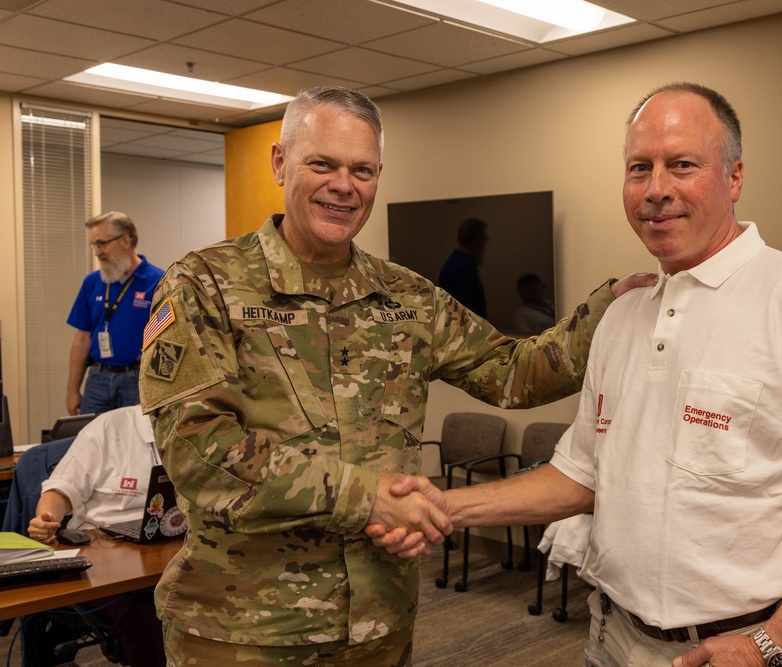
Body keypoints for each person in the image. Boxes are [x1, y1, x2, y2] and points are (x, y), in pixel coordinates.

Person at [372, 83, 782, 667]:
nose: (657, 190)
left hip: (736, 650)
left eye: (682, 165)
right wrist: (446, 507)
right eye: (639, 168)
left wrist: (775, 644)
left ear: (734, 178)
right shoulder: (623, 315)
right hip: (609, 637)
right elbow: (579, 477)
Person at [138, 86, 655, 666]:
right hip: (244, 633)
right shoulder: (205, 284)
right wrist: (367, 499)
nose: (344, 185)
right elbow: (197, 449)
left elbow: (515, 373)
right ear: (280, 163)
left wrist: (611, 304)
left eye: (363, 169)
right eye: (322, 163)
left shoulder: (408, 297)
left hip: (378, 624)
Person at [28, 405, 166, 667]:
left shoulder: (201, 425)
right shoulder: (108, 428)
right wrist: (47, 517)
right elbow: (61, 490)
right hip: (105, 557)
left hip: (168, 545)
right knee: (145, 607)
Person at [66, 211, 164, 416]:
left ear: (125, 241)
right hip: (98, 379)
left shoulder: (158, 281)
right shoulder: (92, 282)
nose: (97, 252)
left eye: (102, 244)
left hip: (137, 379)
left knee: (134, 444)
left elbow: (168, 339)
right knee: (90, 442)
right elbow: (82, 339)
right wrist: (72, 390)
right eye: (93, 244)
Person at [438, 217, 489, 316]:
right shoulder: (462, 268)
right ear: (474, 238)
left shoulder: (459, 264)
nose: (485, 241)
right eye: (483, 237)